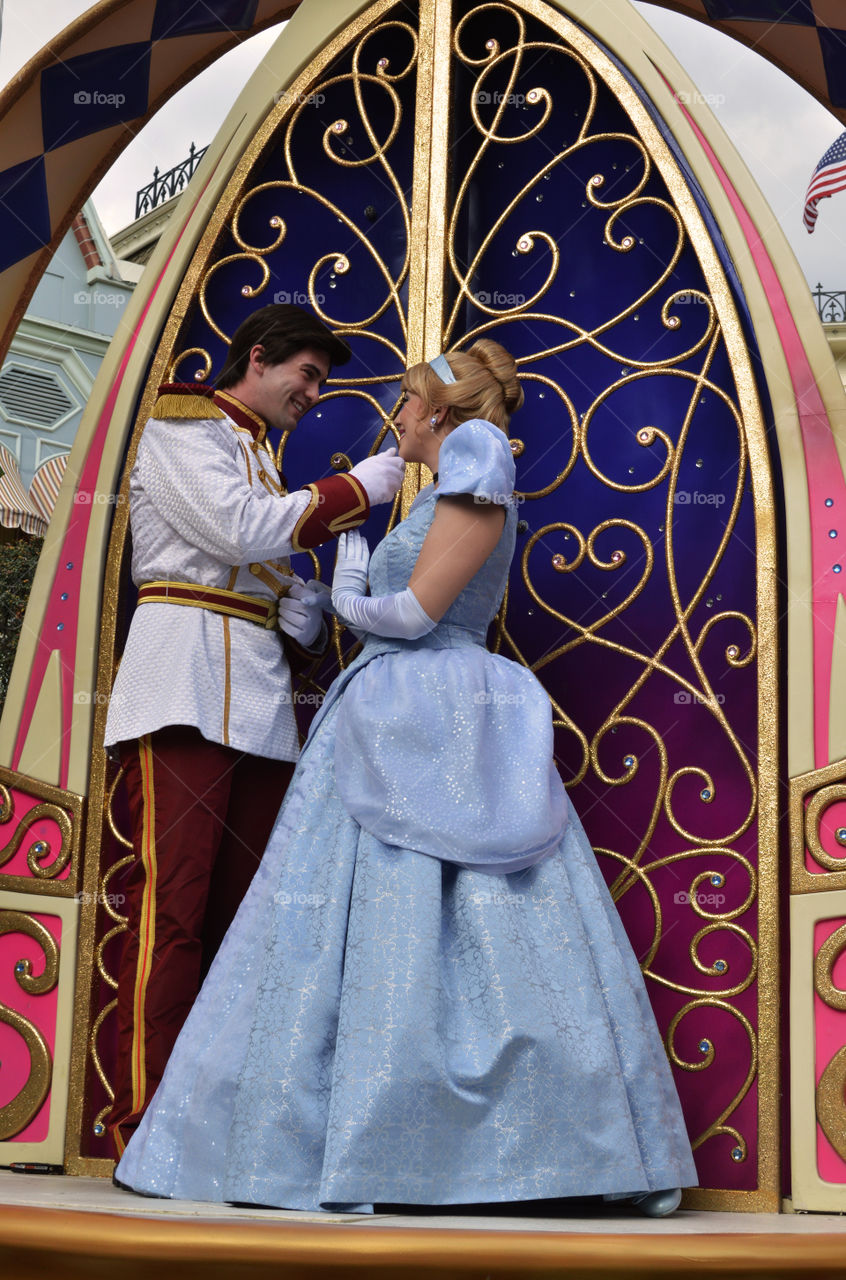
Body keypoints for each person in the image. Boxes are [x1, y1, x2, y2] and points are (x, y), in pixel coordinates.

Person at [114, 339, 697, 1213]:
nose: (390, 411)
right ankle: (302, 1131)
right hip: (374, 706)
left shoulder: (474, 463)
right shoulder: (197, 435)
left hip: (434, 707)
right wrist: (321, 607)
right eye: (309, 377)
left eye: (404, 399)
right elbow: (269, 557)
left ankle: (461, 1148)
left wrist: (349, 586)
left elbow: (418, 614)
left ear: (438, 412)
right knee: (343, 925)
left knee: (446, 915)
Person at [103, 303, 405, 1158]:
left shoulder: (261, 460)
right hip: (185, 688)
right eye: (307, 375)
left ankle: (218, 1128)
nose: (314, 393)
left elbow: (255, 559)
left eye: (321, 381)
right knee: (176, 914)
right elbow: (236, 531)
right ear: (261, 358)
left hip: (261, 710)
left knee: (243, 924)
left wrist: (295, 616)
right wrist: (360, 489)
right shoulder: (181, 425)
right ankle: (142, 1128)